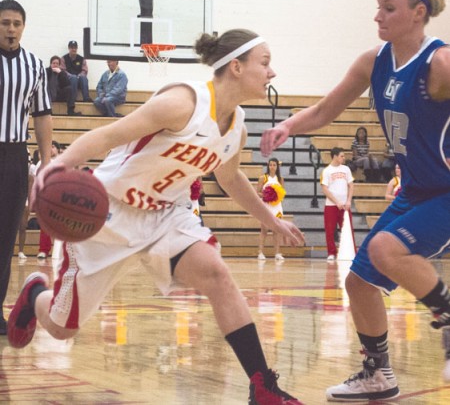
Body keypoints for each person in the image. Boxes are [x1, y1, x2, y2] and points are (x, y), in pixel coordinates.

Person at [8, 29, 305, 404]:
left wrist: (271, 219)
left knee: (217, 274)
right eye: (265, 63)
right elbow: (108, 135)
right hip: (108, 215)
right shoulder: (183, 102)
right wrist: (59, 165)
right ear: (235, 66)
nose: (272, 72)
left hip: (166, 216)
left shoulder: (237, 127)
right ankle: (37, 294)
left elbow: (230, 178)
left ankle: (263, 386)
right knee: (62, 327)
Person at [260, 0, 450, 402]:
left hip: (445, 190)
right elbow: (328, 108)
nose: (377, 16)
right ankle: (378, 373)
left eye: (389, 8)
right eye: (378, 7)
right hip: (415, 191)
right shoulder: (374, 61)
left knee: (386, 249)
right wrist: (288, 125)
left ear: (419, 13)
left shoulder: (440, 63)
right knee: (359, 283)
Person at [0, 0, 52, 335]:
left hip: (15, 157)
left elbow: (42, 115)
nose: (10, 29)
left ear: (24, 26)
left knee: (5, 238)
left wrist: (47, 162)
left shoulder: (34, 65)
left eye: (16, 23)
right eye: (5, 22)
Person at [320, 147, 356, 261]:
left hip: (345, 205)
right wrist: (336, 202)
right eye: (342, 156)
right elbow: (324, 189)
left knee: (347, 229)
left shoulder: (346, 169)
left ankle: (351, 251)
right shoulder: (326, 171)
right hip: (331, 205)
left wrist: (349, 200)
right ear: (335, 156)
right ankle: (331, 253)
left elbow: (351, 185)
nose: (344, 158)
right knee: (330, 230)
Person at [35, 141, 61, 260]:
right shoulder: (41, 163)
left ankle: (59, 251)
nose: (51, 148)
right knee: (45, 225)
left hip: (61, 197)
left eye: (53, 146)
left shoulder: (64, 162)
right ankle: (43, 250)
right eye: (49, 146)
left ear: (58, 150)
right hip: (46, 196)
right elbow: (37, 181)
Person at [256, 157, 286, 261]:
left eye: (274, 165)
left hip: (277, 207)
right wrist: (267, 195)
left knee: (276, 230)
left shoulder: (280, 179)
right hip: (266, 206)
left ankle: (277, 253)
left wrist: (276, 196)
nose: (272, 167)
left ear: (277, 166)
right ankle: (260, 252)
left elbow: (282, 194)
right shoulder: (263, 178)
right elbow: (257, 192)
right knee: (264, 230)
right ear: (268, 166)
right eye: (270, 165)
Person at [60, 40, 91, 105]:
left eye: (75, 47)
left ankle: (86, 98)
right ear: (69, 48)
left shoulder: (82, 59)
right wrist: (71, 75)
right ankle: (72, 99)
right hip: (68, 80)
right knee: (73, 77)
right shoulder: (63, 58)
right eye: (72, 47)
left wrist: (79, 76)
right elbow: (62, 70)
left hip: (79, 79)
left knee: (83, 78)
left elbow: (85, 70)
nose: (73, 49)